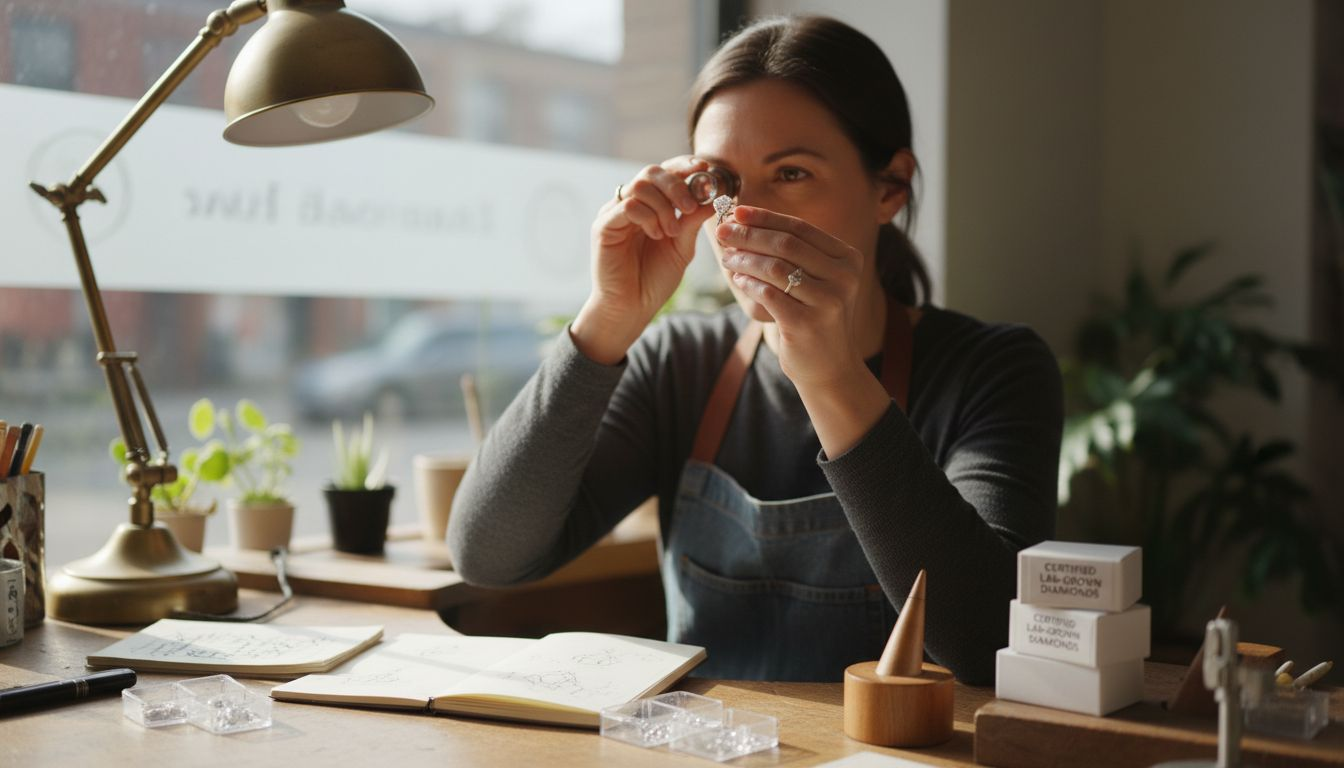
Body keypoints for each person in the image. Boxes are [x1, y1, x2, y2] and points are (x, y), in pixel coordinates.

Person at [447, 15, 1062, 685]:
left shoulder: (994, 371)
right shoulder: (680, 365)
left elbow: (989, 642)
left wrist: (828, 371)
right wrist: (608, 317)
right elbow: (487, 557)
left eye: (791, 173)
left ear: (890, 187)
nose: (740, 220)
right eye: (722, 183)